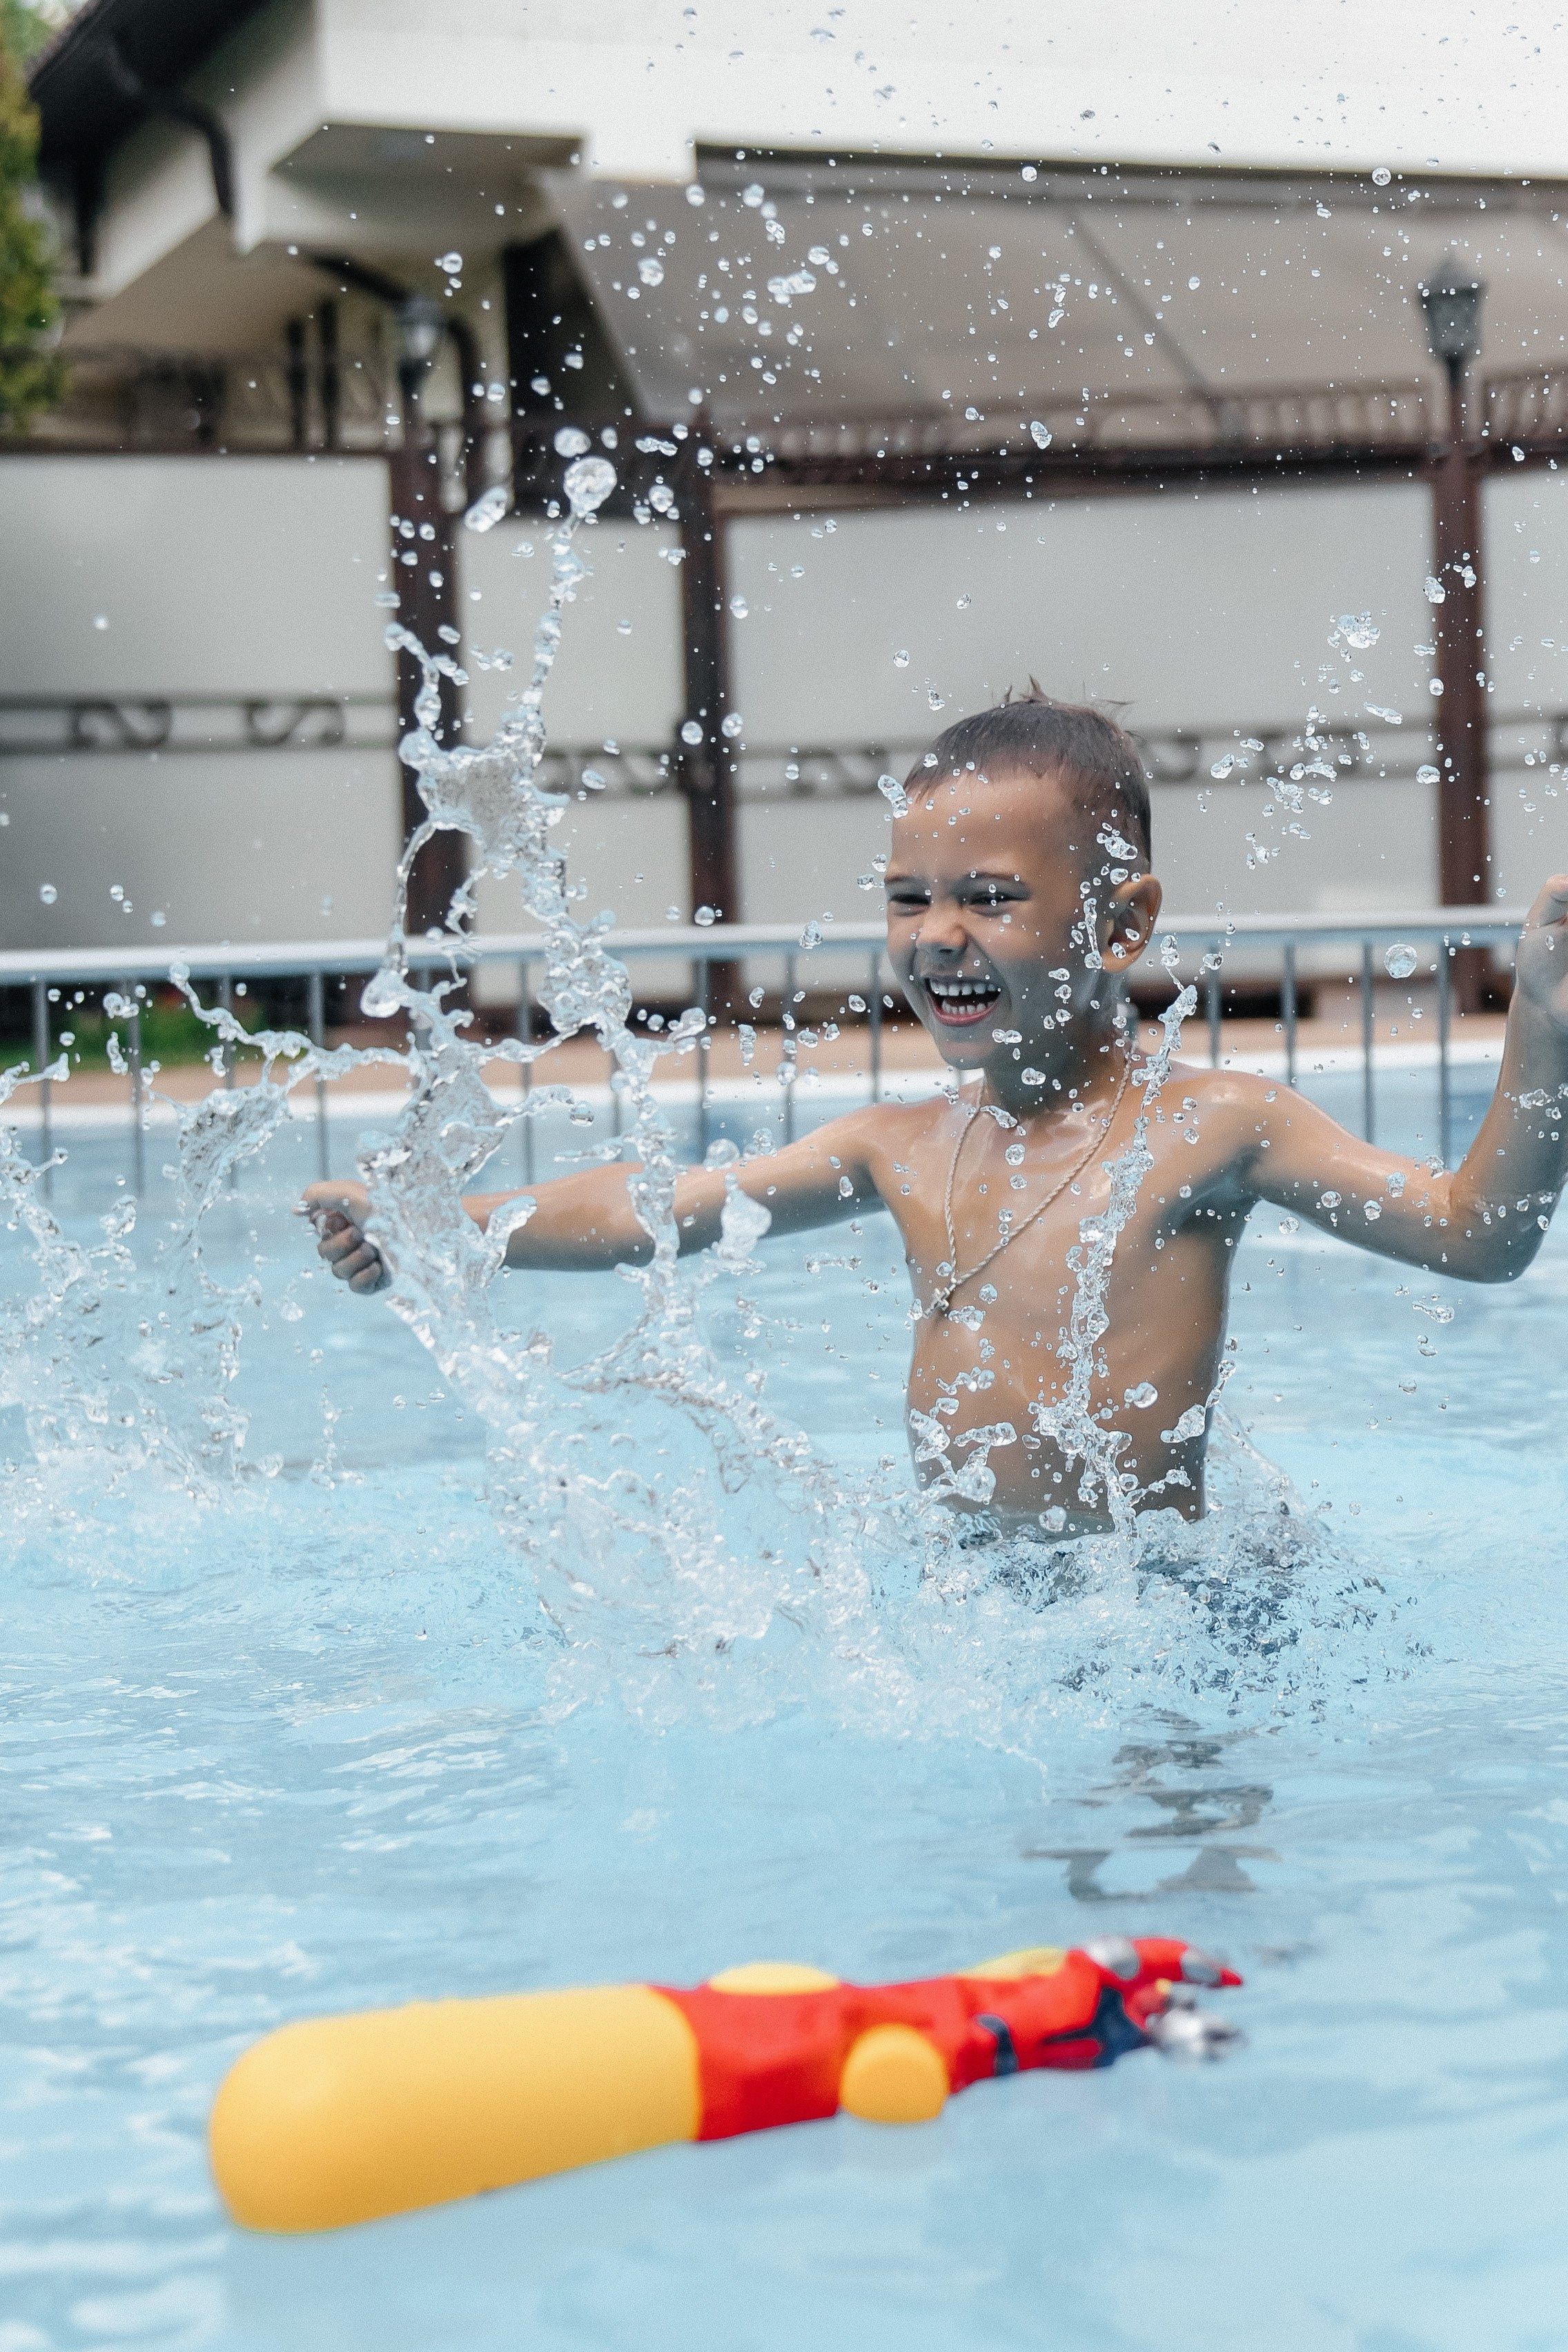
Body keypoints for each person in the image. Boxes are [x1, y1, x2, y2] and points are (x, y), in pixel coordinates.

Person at [303, 689, 1568, 1533]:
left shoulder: (1213, 1127)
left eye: (991, 896)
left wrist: (1547, 1025)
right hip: (977, 1607)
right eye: (909, 898)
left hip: (1166, 1605)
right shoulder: (899, 1145)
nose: (938, 935)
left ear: (1121, 923)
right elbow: (658, 1211)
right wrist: (446, 1224)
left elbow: (1477, 1236)